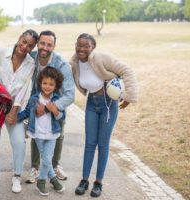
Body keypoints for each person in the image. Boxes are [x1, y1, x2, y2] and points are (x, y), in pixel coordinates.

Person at [70, 33, 138, 197]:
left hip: (108, 104)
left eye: (86, 46)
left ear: (93, 48)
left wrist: (129, 96)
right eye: (79, 45)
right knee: (89, 143)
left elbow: (127, 70)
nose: (82, 49)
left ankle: (98, 182)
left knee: (103, 144)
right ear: (75, 45)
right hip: (92, 103)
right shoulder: (74, 62)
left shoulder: (101, 57)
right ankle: (84, 180)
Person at [0, 29, 38, 193]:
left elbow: (25, 90)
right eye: (24, 41)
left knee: (19, 142)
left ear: (32, 48)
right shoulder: (0, 53)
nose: (24, 46)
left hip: (14, 106)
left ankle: (16, 176)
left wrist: (14, 111)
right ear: (19, 38)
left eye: (29, 45)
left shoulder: (31, 64)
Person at [26, 30, 75, 183]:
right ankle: (35, 167)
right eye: (42, 43)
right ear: (37, 43)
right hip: (35, 102)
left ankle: (55, 165)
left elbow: (69, 95)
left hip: (55, 104)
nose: (45, 47)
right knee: (35, 134)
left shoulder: (61, 64)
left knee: (58, 133)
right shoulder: (30, 58)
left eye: (49, 44)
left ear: (54, 46)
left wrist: (48, 108)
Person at [18, 67, 66, 196]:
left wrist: (54, 110)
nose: (47, 86)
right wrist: (14, 117)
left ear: (56, 86)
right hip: (38, 134)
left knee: (46, 159)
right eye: (45, 83)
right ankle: (53, 179)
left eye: (51, 84)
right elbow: (27, 112)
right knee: (46, 160)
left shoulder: (57, 99)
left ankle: (42, 181)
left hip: (52, 135)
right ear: (40, 83)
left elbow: (62, 117)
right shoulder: (34, 98)